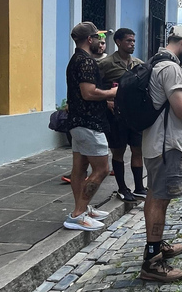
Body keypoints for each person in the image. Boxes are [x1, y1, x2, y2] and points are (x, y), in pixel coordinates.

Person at [140, 25, 182, 282]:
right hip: (166, 145)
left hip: (155, 142)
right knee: (159, 198)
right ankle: (152, 263)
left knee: (155, 196)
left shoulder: (156, 62)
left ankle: (156, 247)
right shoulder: (171, 68)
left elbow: (167, 100)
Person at [64, 22, 118, 231]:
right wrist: (111, 94)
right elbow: (88, 93)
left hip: (78, 121)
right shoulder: (86, 62)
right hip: (88, 123)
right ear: (90, 39)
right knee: (102, 169)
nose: (100, 42)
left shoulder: (76, 59)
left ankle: (82, 209)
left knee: (79, 168)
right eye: (98, 38)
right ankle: (78, 214)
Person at [97, 28, 146, 202]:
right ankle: (122, 188)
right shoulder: (106, 64)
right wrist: (106, 100)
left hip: (135, 115)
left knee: (137, 150)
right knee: (118, 151)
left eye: (133, 41)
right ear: (118, 42)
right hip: (116, 116)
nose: (132, 44)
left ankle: (139, 187)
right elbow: (94, 87)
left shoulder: (138, 64)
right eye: (128, 41)